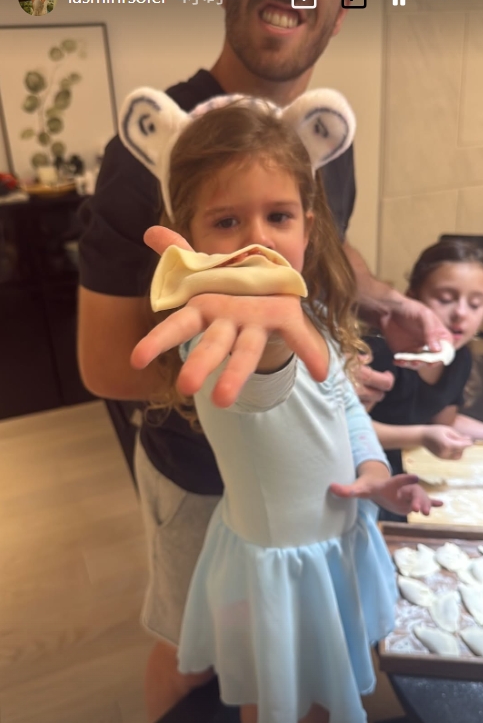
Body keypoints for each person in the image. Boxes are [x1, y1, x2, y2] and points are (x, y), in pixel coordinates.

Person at [77, 0, 450, 718]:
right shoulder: (148, 158)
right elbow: (109, 363)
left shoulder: (322, 139)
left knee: (299, 657)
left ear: (343, 2)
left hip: (324, 498)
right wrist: (273, 357)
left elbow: (328, 247)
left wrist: (376, 307)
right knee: (196, 656)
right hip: (198, 481)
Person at [128, 96, 441, 723]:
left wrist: (374, 473)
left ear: (308, 225)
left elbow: (343, 409)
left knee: (321, 690)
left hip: (337, 544)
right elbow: (257, 385)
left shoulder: (312, 315)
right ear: (189, 241)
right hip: (279, 573)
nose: (258, 240)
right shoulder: (213, 335)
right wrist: (269, 343)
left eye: (278, 215)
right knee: (275, 699)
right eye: (226, 221)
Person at [367, 239, 483, 486]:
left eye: (475, 304)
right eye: (445, 299)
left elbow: (443, 423)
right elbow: (348, 428)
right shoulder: (380, 352)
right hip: (364, 471)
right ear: (413, 299)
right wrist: (421, 436)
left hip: (405, 472)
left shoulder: (459, 358)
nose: (461, 313)